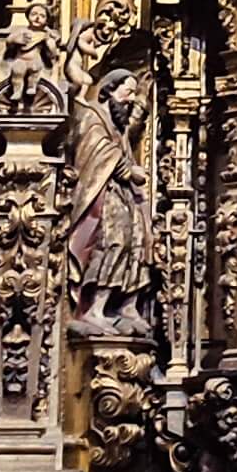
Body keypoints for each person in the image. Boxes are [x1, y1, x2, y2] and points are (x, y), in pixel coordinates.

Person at [67, 67, 154, 338]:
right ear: (109, 91)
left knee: (139, 242)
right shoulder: (93, 117)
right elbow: (97, 151)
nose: (129, 99)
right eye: (127, 92)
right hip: (102, 194)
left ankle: (126, 306)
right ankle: (94, 308)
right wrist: (129, 171)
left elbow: (124, 141)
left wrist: (141, 100)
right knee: (113, 242)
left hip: (123, 195)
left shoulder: (117, 124)